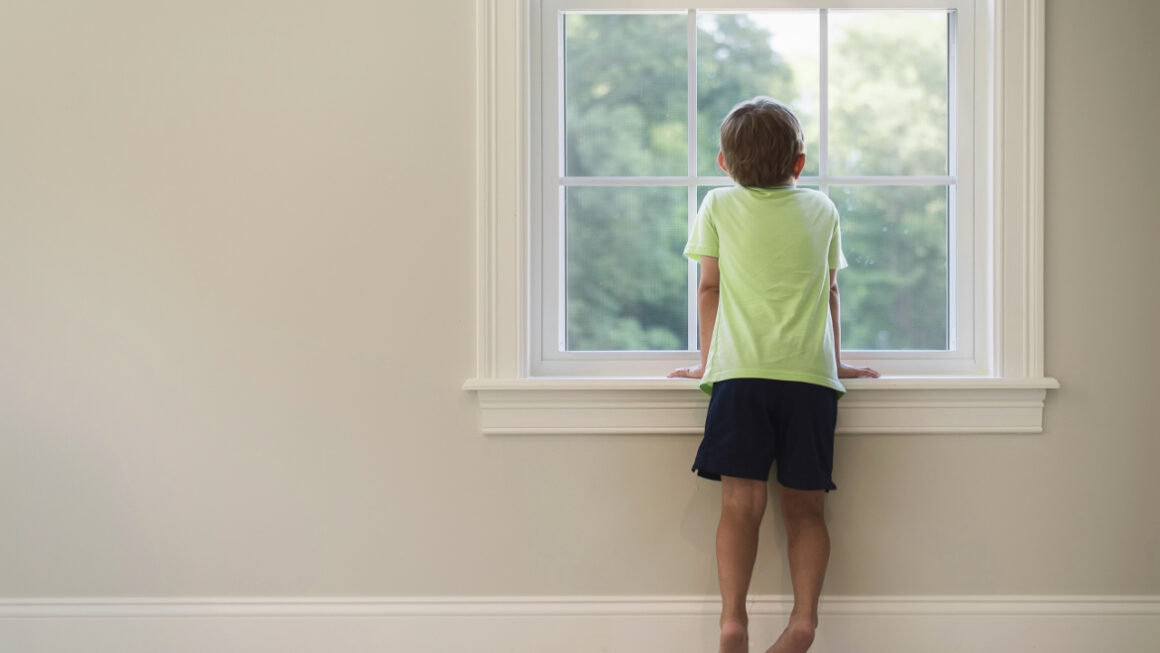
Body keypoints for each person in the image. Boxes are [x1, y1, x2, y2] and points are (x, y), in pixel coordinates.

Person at [668, 96, 879, 653]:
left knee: (740, 507)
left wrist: (705, 364)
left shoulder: (716, 205)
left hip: (740, 380)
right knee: (807, 509)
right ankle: (804, 621)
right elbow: (829, 292)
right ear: (799, 164)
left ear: (723, 162)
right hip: (810, 381)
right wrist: (836, 362)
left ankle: (732, 620)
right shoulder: (823, 210)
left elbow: (709, 289)